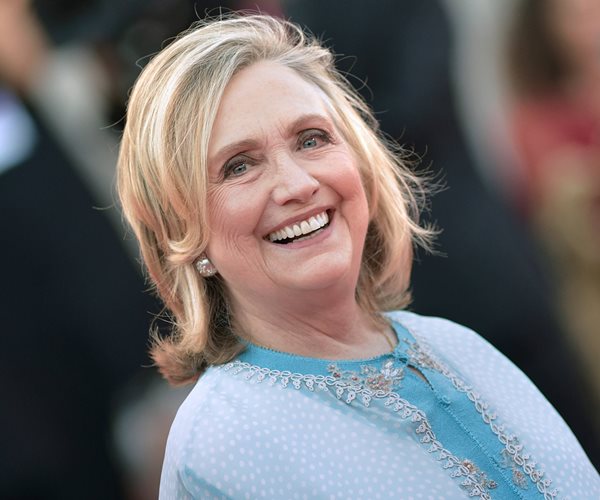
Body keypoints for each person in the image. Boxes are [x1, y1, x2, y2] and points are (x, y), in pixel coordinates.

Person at [117, 14, 599, 499]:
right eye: (239, 166)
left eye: (311, 139)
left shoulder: (459, 346)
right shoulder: (223, 447)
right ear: (183, 232)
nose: (298, 184)